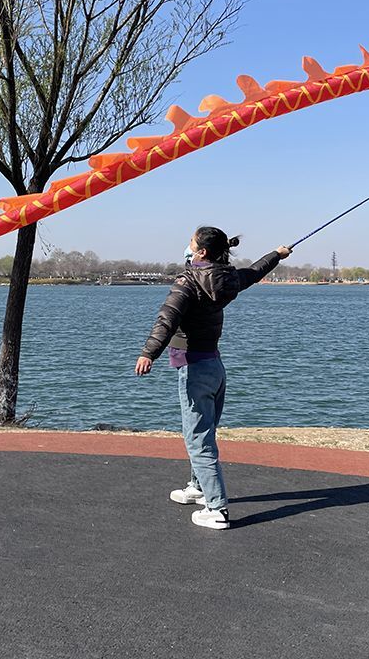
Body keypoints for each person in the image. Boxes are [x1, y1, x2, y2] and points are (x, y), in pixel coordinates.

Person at [134, 227, 292, 530]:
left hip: (194, 369)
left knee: (198, 440)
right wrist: (277, 255)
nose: (188, 245)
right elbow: (255, 271)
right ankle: (198, 486)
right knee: (204, 433)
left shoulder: (188, 282)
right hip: (215, 368)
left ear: (201, 252)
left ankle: (217, 509)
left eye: (192, 242)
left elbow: (166, 320)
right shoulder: (226, 278)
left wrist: (147, 354)